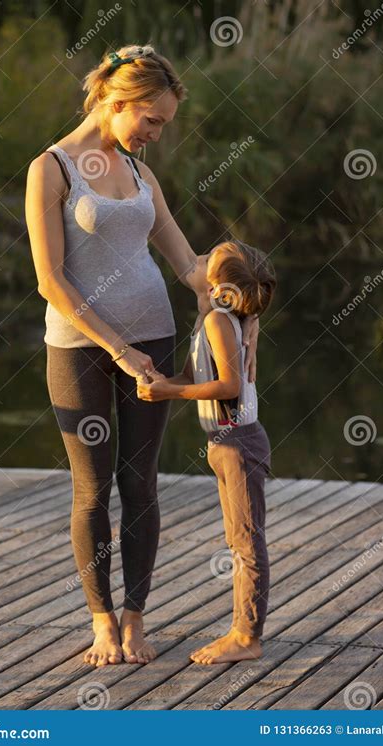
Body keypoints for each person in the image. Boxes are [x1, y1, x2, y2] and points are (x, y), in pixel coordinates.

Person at [25, 43, 260, 668]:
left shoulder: (139, 173)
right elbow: (50, 280)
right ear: (116, 100)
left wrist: (235, 302)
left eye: (163, 123)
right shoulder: (51, 168)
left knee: (140, 483)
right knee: (92, 490)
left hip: (153, 339)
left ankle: (135, 620)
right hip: (79, 348)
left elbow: (185, 265)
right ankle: (101, 621)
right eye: (150, 120)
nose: (155, 134)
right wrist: (119, 350)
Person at [137, 239, 276, 663]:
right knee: (239, 538)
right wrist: (163, 383)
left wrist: (168, 396)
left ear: (218, 287)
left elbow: (230, 387)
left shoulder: (218, 322)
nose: (194, 263)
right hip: (225, 445)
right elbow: (193, 374)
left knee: (246, 541)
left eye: (204, 263)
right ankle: (241, 631)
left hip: (238, 443)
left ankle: (246, 637)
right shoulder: (212, 320)